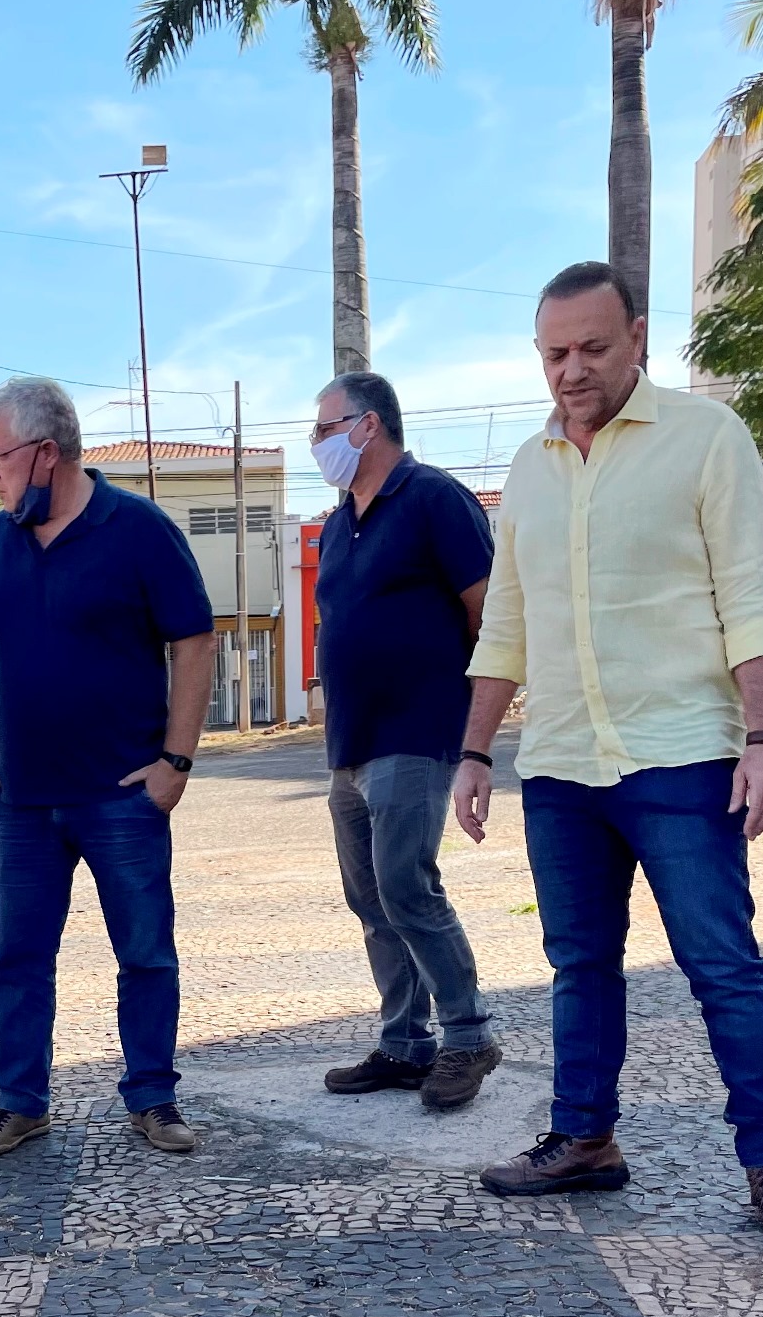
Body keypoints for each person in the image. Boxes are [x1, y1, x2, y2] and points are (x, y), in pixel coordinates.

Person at [456, 261, 763, 1208]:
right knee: (577, 964)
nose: (571, 370)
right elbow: (505, 622)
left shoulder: (707, 438)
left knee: (720, 965)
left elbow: (749, 596)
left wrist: (759, 735)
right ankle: (584, 1137)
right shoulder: (528, 467)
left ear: (637, 336)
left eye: (592, 347)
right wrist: (474, 750)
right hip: (559, 762)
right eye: (554, 353)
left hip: (682, 755)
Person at [0, 376, 216, 1157]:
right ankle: (19, 1102)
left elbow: (194, 640)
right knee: (15, 961)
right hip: (20, 802)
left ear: (45, 454)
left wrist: (176, 761)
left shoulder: (138, 529)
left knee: (144, 953)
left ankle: (152, 1096)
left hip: (121, 796)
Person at [313, 370, 501, 1110]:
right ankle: (404, 1043)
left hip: (416, 729)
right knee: (370, 899)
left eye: (325, 427)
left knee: (405, 886)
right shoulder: (339, 522)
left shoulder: (433, 498)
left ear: (369, 425)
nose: (316, 442)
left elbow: (488, 613)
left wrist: (472, 725)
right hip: (350, 742)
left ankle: (468, 1035)